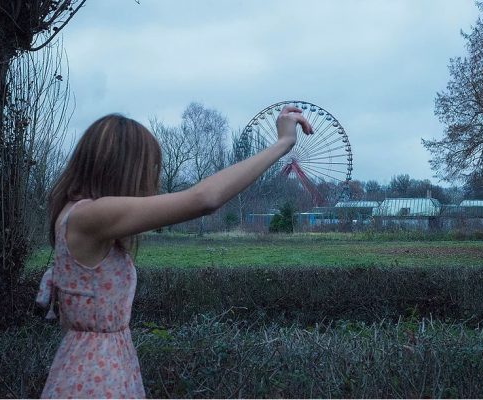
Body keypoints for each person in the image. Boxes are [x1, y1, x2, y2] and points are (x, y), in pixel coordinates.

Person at [35, 106, 313, 398]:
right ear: (121, 169)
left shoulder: (75, 214)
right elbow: (204, 199)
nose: (149, 182)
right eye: (147, 170)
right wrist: (282, 144)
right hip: (96, 378)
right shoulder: (89, 216)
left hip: (93, 367)